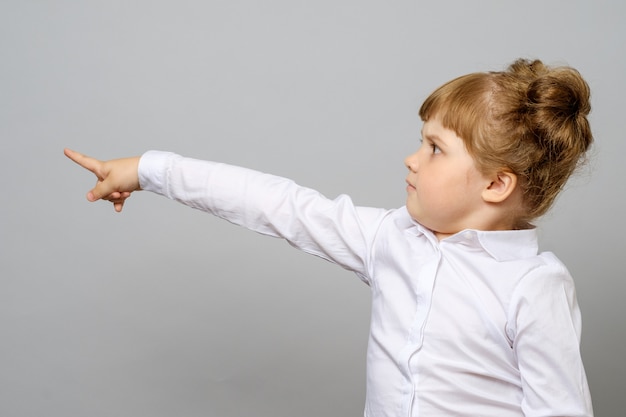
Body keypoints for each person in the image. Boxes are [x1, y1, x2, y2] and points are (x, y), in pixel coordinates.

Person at [65, 58, 594, 417]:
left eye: (435, 148)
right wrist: (149, 169)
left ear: (496, 183)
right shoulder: (392, 238)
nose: (412, 158)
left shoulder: (533, 286)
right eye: (421, 141)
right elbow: (279, 205)